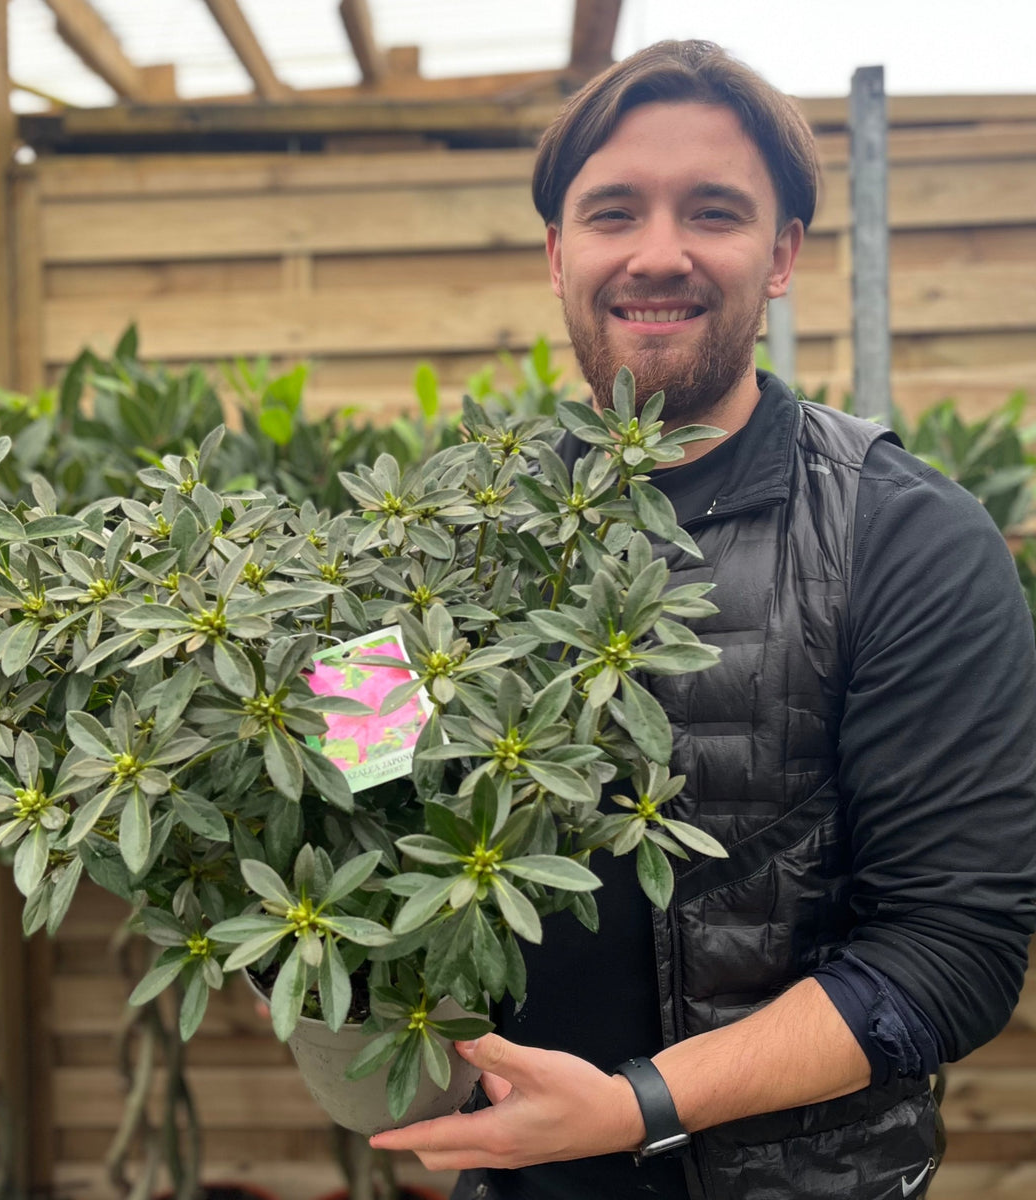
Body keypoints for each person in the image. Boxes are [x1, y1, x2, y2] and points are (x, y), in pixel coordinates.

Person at [370, 39, 1036, 1200]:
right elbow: (342, 810)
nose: (659, 253)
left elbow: (952, 955)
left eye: (713, 212)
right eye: (614, 211)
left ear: (780, 256)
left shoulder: (906, 537)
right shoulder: (443, 542)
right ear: (558, 251)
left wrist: (636, 1111)